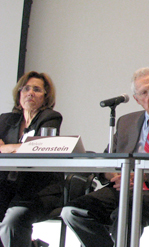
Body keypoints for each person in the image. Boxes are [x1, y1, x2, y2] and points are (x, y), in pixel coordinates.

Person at [60, 67, 149, 247]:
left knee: (125, 212)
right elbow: (107, 160)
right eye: (144, 92)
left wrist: (144, 176)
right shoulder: (125, 122)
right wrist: (114, 176)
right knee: (72, 211)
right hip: (122, 189)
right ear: (137, 99)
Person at [0, 71, 63, 247]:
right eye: (26, 88)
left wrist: (6, 147)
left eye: (37, 89)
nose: (30, 93)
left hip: (38, 190)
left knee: (13, 221)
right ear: (19, 94)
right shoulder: (6, 120)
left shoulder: (50, 117)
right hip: (7, 187)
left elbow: (40, 147)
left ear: (45, 97)